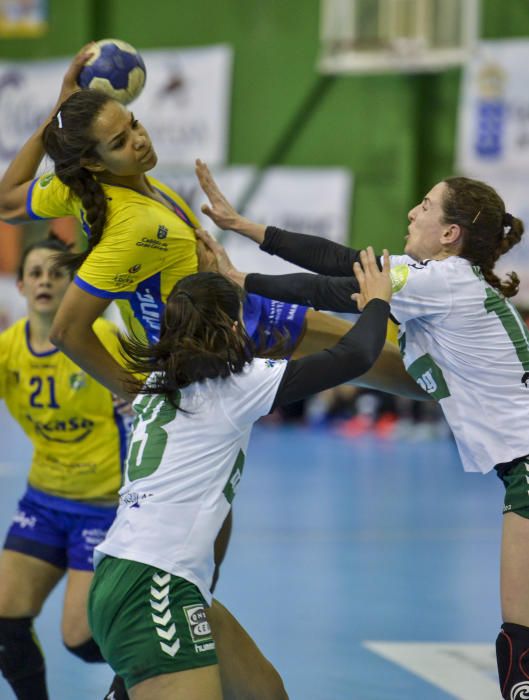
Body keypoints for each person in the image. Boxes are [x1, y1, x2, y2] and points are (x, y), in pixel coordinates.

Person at [0, 47, 424, 699]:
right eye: (119, 141)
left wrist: (61, 103)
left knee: (380, 359)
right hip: (216, 331)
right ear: (93, 162)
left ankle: (473, 390)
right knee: (370, 356)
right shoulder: (133, 226)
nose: (139, 142)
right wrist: (130, 388)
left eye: (134, 126)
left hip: (219, 308)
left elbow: (5, 197)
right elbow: (67, 330)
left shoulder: (82, 184)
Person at [195, 161, 529, 700]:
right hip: (522, 470)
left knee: (520, 650)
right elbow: (343, 261)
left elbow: (334, 287)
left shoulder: (440, 282)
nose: (410, 211)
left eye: (424, 205)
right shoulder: (443, 282)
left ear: (450, 234)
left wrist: (242, 280)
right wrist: (244, 227)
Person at [88, 258, 392, 700]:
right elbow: (356, 356)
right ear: (233, 325)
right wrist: (378, 301)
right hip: (154, 584)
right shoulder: (237, 384)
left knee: (265, 694)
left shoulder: (159, 379)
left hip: (144, 573)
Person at [0, 236, 129, 700]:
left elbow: (152, 389)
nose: (45, 281)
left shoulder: (105, 340)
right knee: (4, 619)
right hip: (43, 500)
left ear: (73, 284)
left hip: (103, 508)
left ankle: (154, 671)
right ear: (20, 286)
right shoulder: (9, 349)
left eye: (57, 273)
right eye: (35, 273)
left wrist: (134, 393)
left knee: (80, 638)